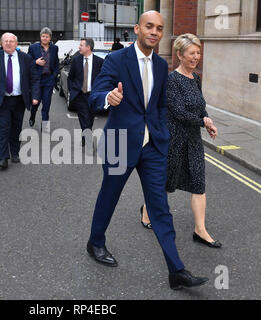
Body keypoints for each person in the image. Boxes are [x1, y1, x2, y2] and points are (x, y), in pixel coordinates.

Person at [87, 11, 208, 290]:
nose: (154, 32)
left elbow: (160, 105)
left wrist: (161, 135)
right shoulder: (116, 60)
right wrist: (108, 97)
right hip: (120, 141)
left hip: (152, 145)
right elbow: (95, 94)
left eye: (159, 28)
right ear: (137, 28)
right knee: (110, 196)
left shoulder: (160, 67)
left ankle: (176, 270)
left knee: (160, 207)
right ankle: (95, 243)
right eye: (149, 26)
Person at [140, 34, 221, 248]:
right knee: (166, 183)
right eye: (192, 53)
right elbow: (178, 112)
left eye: (198, 52)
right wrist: (203, 123)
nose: (196, 57)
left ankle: (200, 230)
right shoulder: (172, 80)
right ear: (179, 55)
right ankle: (147, 210)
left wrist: (207, 118)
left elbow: (200, 105)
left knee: (198, 183)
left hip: (193, 140)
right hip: (174, 139)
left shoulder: (196, 78)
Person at [0, 33, 40, 170]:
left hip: (19, 100)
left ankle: (15, 152)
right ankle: (3, 158)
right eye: (5, 41)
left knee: (16, 127)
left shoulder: (26, 59)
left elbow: (34, 79)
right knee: (4, 127)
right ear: (1, 43)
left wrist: (35, 96)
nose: (8, 43)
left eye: (11, 41)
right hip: (2, 100)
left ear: (16, 44)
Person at [67, 38, 103, 150]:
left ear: (88, 47)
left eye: (81, 45)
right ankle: (88, 141)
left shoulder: (99, 62)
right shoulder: (76, 60)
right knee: (83, 117)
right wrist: (72, 90)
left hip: (93, 95)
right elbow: (70, 78)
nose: (79, 47)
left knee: (90, 118)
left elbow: (103, 79)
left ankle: (84, 136)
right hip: (80, 95)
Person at [27, 27, 59, 132]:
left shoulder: (54, 48)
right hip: (36, 80)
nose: (45, 38)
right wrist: (35, 62)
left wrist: (54, 75)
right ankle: (32, 116)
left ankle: (45, 125)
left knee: (46, 103)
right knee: (35, 103)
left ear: (50, 38)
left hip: (49, 80)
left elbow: (56, 63)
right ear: (40, 37)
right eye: (43, 36)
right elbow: (27, 62)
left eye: (47, 36)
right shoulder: (33, 48)